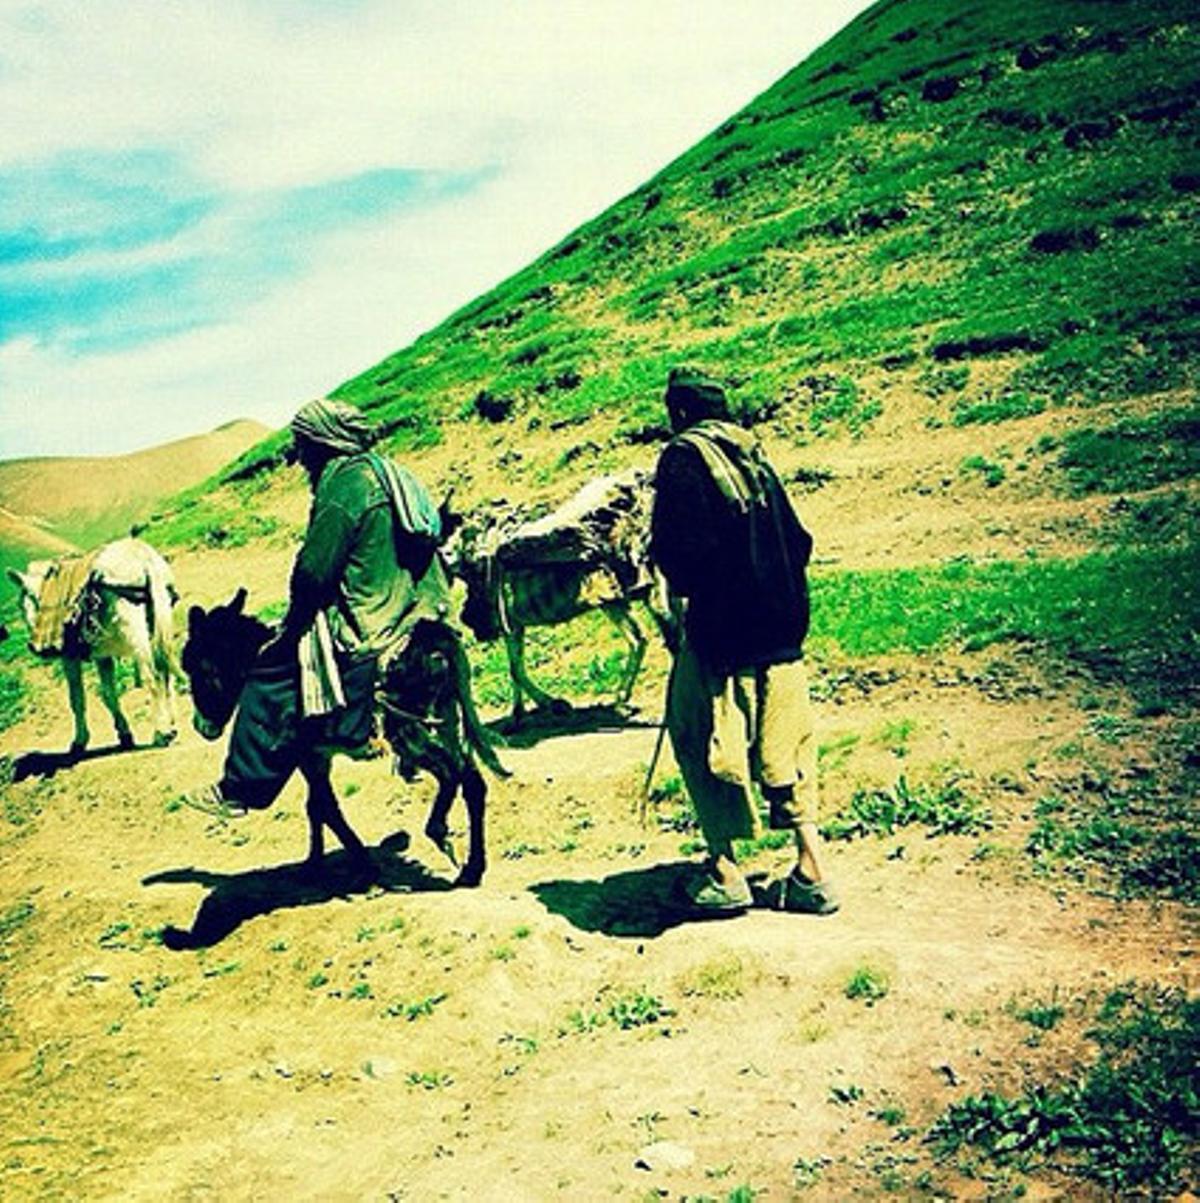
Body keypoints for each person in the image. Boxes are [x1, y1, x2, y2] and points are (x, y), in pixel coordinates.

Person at [186, 397, 448, 817]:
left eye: (302, 447)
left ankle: (239, 789)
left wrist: (293, 624)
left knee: (268, 674)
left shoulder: (343, 486)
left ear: (323, 443)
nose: (299, 459)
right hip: (424, 609)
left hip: (373, 618)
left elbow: (314, 574)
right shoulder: (393, 474)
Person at [649, 367, 838, 915]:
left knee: (700, 737)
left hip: (721, 637)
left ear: (678, 413)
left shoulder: (683, 456)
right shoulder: (752, 455)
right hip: (782, 633)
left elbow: (683, 555)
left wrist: (692, 600)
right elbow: (800, 541)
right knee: (789, 749)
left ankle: (726, 869)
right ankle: (811, 869)